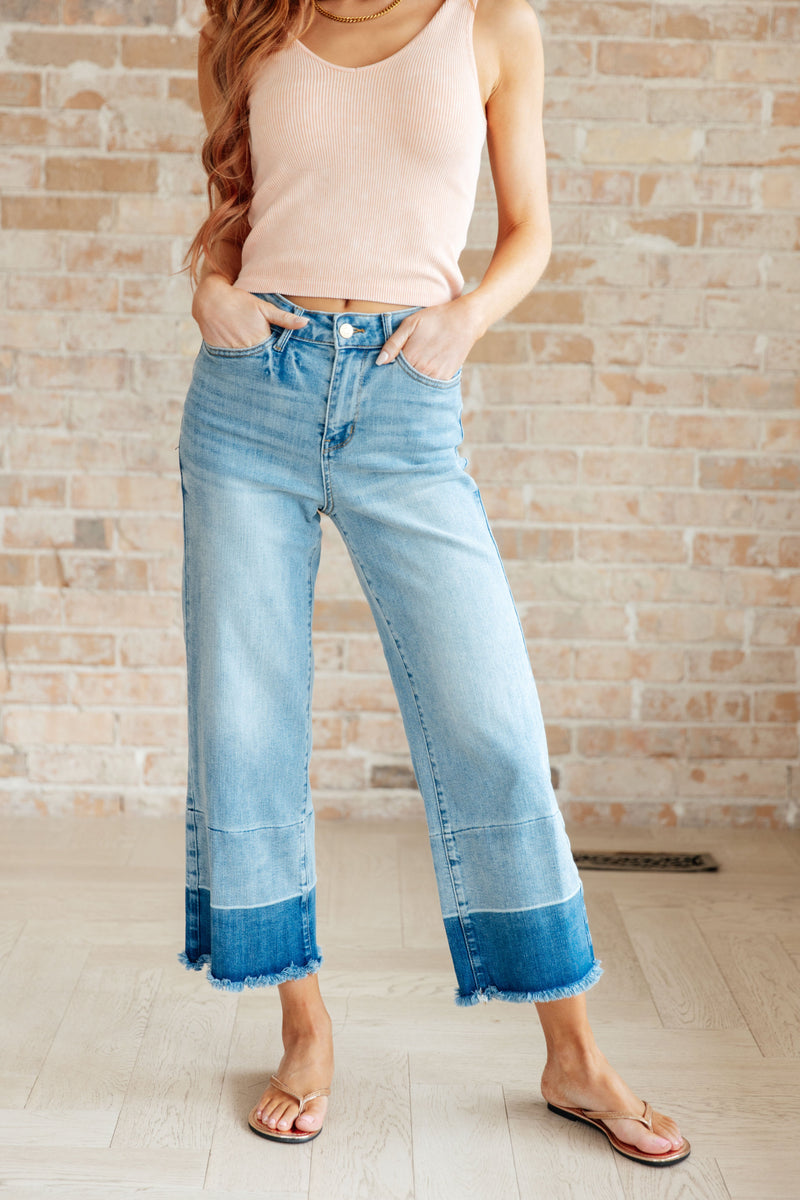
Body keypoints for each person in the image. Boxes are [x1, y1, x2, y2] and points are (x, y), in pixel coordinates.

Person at [176, 0, 690, 1167]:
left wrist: (466, 317)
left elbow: (529, 231)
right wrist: (207, 286)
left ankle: (572, 1053)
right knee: (245, 726)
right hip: (249, 396)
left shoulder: (493, 25)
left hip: (405, 401)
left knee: (491, 728)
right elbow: (231, 206)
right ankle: (302, 1030)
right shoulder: (247, 22)